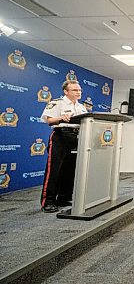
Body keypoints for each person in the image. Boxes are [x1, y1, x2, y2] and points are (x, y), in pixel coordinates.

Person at [40, 80, 87, 213]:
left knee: (70, 169)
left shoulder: (82, 107)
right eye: (75, 90)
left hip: (76, 137)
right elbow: (48, 120)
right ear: (66, 91)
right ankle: (48, 201)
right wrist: (61, 117)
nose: (78, 92)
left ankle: (63, 197)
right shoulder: (57, 103)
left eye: (79, 90)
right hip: (60, 136)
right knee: (54, 170)